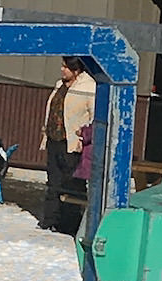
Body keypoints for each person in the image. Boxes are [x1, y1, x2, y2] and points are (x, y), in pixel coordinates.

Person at [39, 57, 95, 235]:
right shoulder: (59, 85)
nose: (62, 70)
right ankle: (50, 219)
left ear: (76, 70)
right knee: (53, 182)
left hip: (73, 142)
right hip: (54, 139)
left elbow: (94, 116)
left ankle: (70, 223)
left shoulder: (88, 87)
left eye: (66, 67)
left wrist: (84, 135)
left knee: (73, 183)